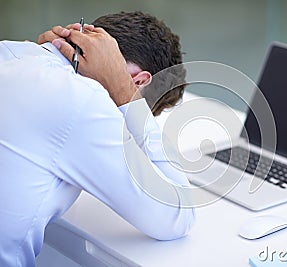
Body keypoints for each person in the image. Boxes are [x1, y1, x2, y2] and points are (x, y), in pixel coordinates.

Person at [0, 11, 194, 266]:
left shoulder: (10, 51)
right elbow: (177, 215)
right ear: (139, 81)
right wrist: (126, 95)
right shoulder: (84, 100)